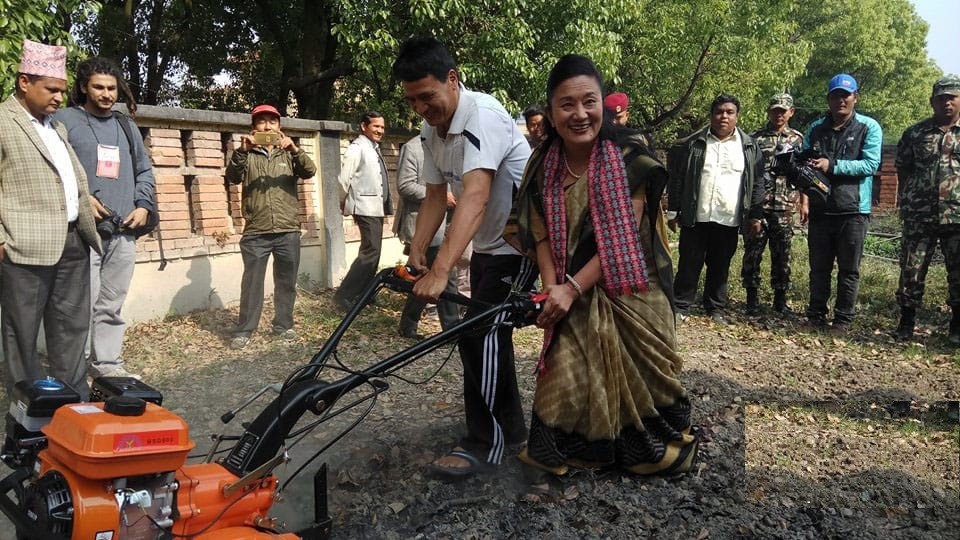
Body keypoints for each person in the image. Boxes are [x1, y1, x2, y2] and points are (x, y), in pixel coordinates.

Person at [505, 54, 696, 476]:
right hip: (567, 287)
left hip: (631, 292)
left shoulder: (630, 158)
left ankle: (648, 451)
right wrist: (551, 295)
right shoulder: (542, 164)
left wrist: (569, 290)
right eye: (566, 104)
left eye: (588, 101)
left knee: (646, 389)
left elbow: (620, 236)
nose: (579, 114)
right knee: (561, 379)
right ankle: (572, 452)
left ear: (602, 104)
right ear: (551, 112)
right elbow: (540, 234)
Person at [392, 36, 536, 478]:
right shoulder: (431, 130)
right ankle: (509, 429)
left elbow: (474, 195)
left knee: (482, 333)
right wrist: (418, 250)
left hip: (521, 242)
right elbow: (437, 195)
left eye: (427, 96)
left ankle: (485, 443)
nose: (420, 108)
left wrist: (442, 270)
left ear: (453, 81)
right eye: (413, 100)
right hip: (489, 244)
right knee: (483, 335)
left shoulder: (484, 116)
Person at [0, 40, 101, 399]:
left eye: (62, 90)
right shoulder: (3, 122)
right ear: (25, 82)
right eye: (52, 89)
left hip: (73, 243)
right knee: (22, 335)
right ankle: (28, 415)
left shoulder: (55, 127)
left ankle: (73, 407)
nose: (60, 97)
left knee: (72, 330)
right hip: (25, 247)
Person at [56, 57, 156, 379]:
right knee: (80, 306)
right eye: (98, 87)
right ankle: (75, 368)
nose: (106, 94)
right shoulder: (64, 120)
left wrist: (143, 205)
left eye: (112, 88)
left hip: (123, 231)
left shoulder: (126, 126)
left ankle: (108, 366)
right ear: (84, 86)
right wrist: (81, 198)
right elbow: (53, 171)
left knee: (111, 304)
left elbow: (144, 170)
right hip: (81, 233)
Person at [667, 94, 765, 325]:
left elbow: (758, 181)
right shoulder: (694, 143)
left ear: (737, 117)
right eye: (719, 112)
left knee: (720, 264)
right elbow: (678, 178)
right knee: (689, 262)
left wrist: (756, 215)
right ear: (711, 115)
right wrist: (673, 211)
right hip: (696, 214)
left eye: (729, 112)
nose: (724, 116)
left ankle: (715, 308)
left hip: (728, 216)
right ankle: (680, 306)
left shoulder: (748, 146)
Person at [225, 104, 317, 350]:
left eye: (272, 122)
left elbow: (310, 171)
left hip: (288, 229)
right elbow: (232, 177)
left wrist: (295, 149)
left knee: (286, 281)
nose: (267, 126)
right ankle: (245, 329)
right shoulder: (246, 154)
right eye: (261, 122)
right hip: (256, 230)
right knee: (252, 283)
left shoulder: (288, 153)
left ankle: (283, 325)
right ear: (253, 128)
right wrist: (242, 151)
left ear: (280, 127)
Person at [803, 74, 882, 330]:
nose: (841, 100)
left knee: (849, 269)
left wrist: (832, 165)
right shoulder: (815, 128)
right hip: (820, 209)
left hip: (853, 211)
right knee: (818, 268)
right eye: (835, 95)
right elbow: (803, 159)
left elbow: (871, 164)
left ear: (855, 97)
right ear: (828, 98)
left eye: (845, 95)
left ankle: (843, 319)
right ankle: (815, 315)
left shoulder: (868, 127)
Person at [893, 75, 960, 342]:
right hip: (920, 214)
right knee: (911, 269)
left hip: (957, 215)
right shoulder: (915, 133)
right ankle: (906, 322)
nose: (946, 103)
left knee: (958, 272)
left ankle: (957, 326)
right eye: (941, 98)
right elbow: (903, 169)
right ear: (932, 101)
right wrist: (910, 199)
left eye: (952, 98)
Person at [742, 93, 804, 315]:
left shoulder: (798, 140)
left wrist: (805, 204)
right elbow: (747, 174)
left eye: (783, 111)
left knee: (783, 255)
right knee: (753, 253)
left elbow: (803, 175)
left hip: (786, 207)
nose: (779, 114)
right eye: (775, 110)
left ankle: (780, 300)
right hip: (759, 206)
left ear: (791, 112)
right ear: (769, 112)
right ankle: (752, 299)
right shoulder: (755, 139)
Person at [393, 135, 461, 338]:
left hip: (448, 223)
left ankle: (410, 325)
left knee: (432, 276)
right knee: (441, 276)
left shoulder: (448, 146)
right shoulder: (413, 147)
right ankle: (450, 329)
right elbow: (404, 185)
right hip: (422, 226)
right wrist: (439, 196)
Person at [333, 111, 393, 310]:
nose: (380, 130)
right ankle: (344, 295)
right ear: (363, 126)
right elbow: (343, 180)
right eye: (376, 126)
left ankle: (365, 294)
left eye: (382, 127)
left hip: (375, 208)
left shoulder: (373, 148)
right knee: (370, 252)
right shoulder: (357, 148)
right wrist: (345, 204)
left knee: (373, 252)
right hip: (364, 207)